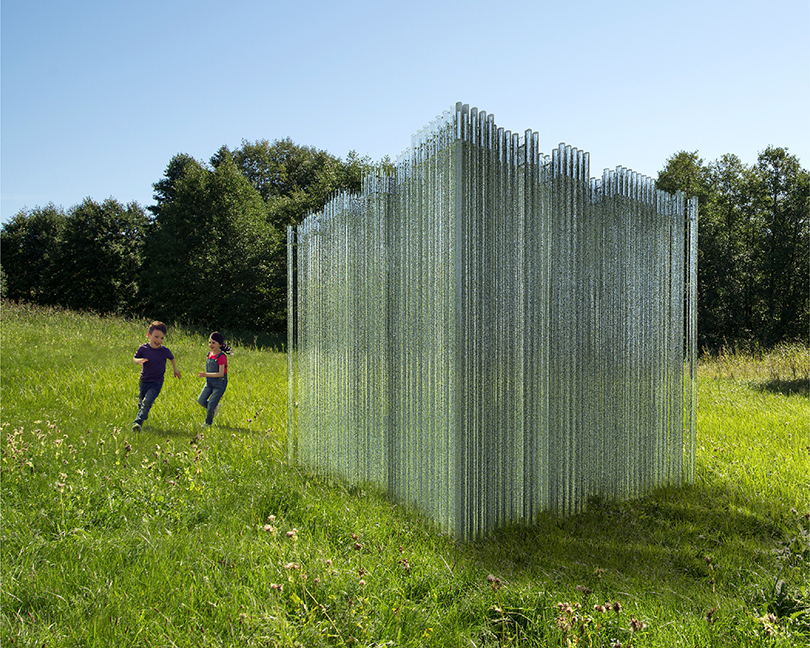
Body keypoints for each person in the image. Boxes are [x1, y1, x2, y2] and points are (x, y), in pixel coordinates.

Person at [132, 321, 181, 432]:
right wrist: (138, 361)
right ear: (149, 335)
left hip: (157, 382)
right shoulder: (143, 348)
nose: (159, 340)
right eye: (156, 337)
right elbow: (134, 359)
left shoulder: (164, 351)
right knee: (141, 402)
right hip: (144, 380)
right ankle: (143, 413)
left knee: (147, 402)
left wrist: (175, 369)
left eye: (162, 338)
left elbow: (172, 358)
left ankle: (137, 422)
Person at [196, 332, 231, 426]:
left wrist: (205, 374)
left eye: (213, 343)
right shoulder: (209, 354)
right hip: (209, 383)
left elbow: (220, 374)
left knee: (211, 404)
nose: (211, 345)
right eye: (210, 342)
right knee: (201, 400)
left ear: (220, 344)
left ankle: (208, 423)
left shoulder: (221, 357)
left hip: (219, 384)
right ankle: (215, 408)